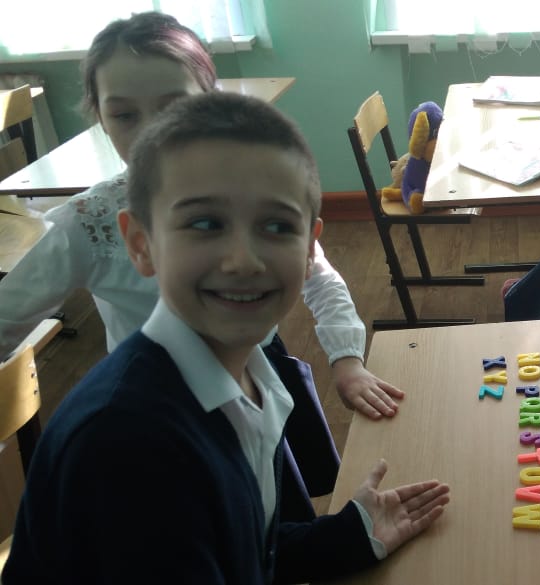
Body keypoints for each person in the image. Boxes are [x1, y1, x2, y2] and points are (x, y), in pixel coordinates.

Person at [2, 91, 451, 584]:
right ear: (141, 244)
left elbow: (241, 549)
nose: (243, 260)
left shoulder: (254, 382)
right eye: (205, 224)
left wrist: (348, 536)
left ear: (310, 248)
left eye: (276, 226)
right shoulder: (127, 445)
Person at [0, 12, 399, 518]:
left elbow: (317, 273)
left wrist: (347, 359)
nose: (153, 132)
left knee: (274, 520)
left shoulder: (253, 187)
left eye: (175, 107)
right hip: (165, 414)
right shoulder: (90, 222)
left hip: (256, 378)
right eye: (124, 115)